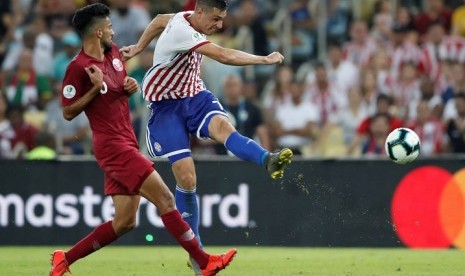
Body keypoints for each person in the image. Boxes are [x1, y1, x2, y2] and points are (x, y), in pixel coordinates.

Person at [49, 4, 236, 276]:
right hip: (112, 147)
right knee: (166, 200)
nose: (114, 31)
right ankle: (204, 262)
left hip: (126, 140)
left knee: (125, 222)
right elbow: (67, 112)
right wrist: (94, 90)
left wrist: (128, 88)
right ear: (98, 31)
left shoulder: (113, 54)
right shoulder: (78, 67)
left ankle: (63, 259)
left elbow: (114, 92)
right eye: (110, 27)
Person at [120, 0, 293, 272]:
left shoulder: (186, 17)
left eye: (222, 19)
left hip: (195, 96)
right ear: (200, 12)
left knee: (224, 128)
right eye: (215, 19)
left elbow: (158, 19)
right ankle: (197, 252)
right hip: (166, 107)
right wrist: (264, 59)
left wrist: (139, 47)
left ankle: (267, 160)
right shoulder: (182, 31)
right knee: (187, 178)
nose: (219, 25)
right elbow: (224, 55)